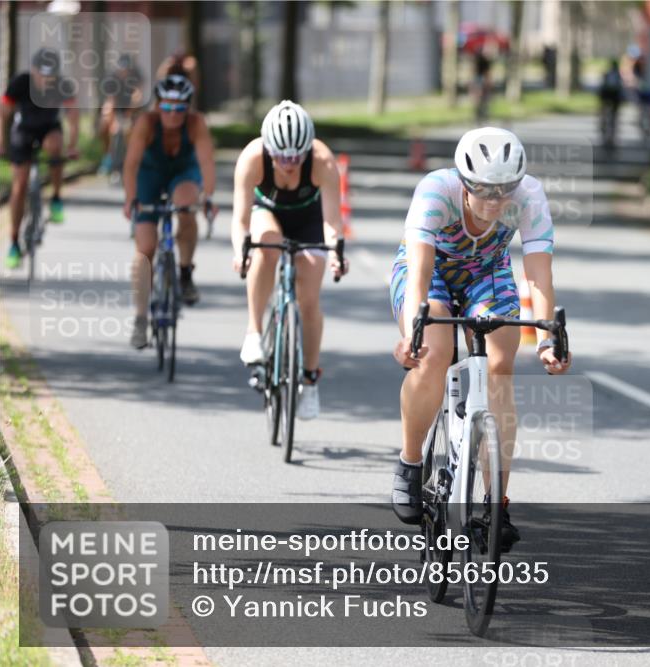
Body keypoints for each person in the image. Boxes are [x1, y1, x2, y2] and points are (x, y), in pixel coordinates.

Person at [388, 127, 572, 550]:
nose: (494, 200)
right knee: (433, 353)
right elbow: (419, 272)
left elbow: (538, 275)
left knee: (501, 365)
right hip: (432, 272)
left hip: (487, 274)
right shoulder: (437, 190)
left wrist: (548, 340)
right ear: (464, 181)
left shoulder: (529, 196)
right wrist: (413, 330)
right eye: (484, 190)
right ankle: (410, 462)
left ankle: (496, 504)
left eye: (504, 190)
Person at [231, 100, 348, 421]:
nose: (289, 164)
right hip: (266, 212)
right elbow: (240, 220)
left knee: (309, 299)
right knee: (267, 245)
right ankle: (254, 332)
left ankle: (309, 380)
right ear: (268, 149)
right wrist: (240, 250)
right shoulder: (252, 158)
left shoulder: (322, 161)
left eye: (296, 157)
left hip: (309, 219)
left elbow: (332, 221)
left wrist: (336, 253)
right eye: (282, 157)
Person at [122, 75, 217, 348]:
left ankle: (185, 273)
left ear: (188, 108)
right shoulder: (146, 123)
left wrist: (208, 197)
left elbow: (206, 162)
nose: (172, 114)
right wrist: (130, 199)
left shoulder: (196, 124)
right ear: (158, 105)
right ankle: (141, 318)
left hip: (183, 172)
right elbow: (131, 164)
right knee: (145, 248)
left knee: (187, 207)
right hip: (149, 175)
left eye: (179, 108)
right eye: (166, 107)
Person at [0, 47, 80, 268]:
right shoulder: (20, 82)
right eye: (41, 74)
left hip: (49, 128)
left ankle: (56, 197)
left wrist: (72, 146)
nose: (45, 80)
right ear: (33, 70)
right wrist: (1, 142)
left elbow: (73, 116)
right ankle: (14, 242)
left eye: (50, 75)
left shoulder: (63, 85)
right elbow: (3, 112)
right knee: (19, 187)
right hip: (23, 131)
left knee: (55, 145)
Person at [99, 53, 145, 174]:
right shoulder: (112, 79)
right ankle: (107, 156)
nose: (124, 72)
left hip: (132, 108)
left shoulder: (136, 75)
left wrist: (129, 113)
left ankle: (134, 159)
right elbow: (111, 101)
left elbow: (137, 95)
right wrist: (112, 118)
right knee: (106, 125)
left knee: (132, 130)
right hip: (117, 107)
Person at [598, 59, 625, 149]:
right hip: (612, 97)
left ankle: (604, 126)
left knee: (607, 114)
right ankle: (607, 128)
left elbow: (602, 88)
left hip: (608, 97)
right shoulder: (618, 75)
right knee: (613, 116)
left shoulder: (607, 74)